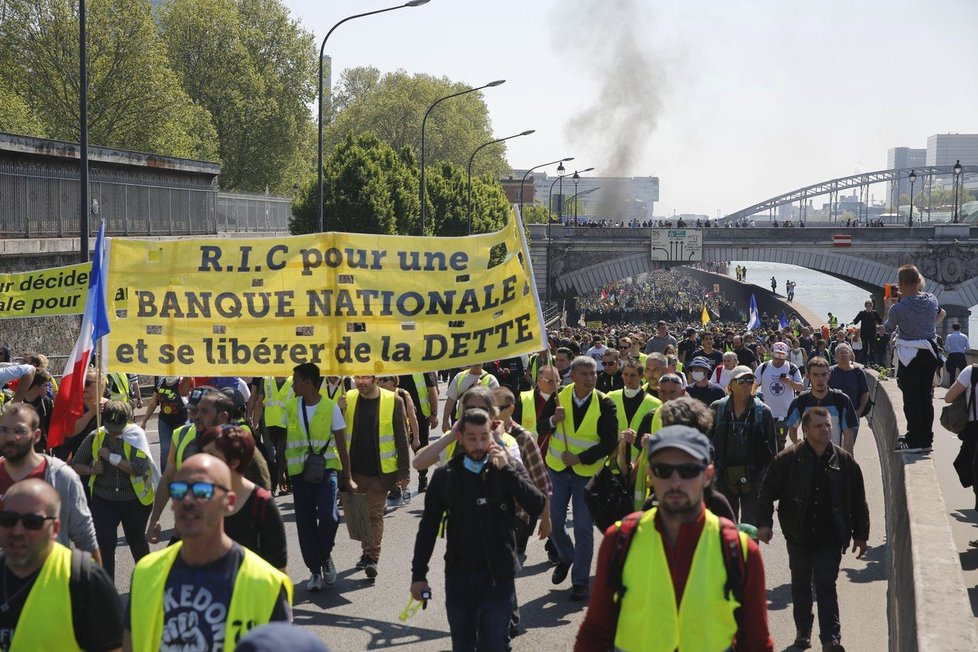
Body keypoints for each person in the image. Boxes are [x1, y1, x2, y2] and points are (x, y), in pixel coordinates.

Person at [574, 425, 774, 651]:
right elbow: (595, 632)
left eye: (688, 470)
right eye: (663, 470)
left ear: (707, 475)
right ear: (650, 474)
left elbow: (757, 642)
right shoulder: (620, 539)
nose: (676, 482)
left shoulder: (739, 549)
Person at [410, 408, 545, 652]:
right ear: (460, 437)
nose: (479, 444)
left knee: (495, 644)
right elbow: (428, 528)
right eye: (472, 437)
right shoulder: (445, 476)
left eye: (484, 437)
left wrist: (508, 470)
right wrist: (419, 575)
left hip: (499, 577)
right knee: (463, 646)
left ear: (491, 436)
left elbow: (536, 504)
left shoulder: (506, 467)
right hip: (461, 578)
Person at [125, 455, 292, 651]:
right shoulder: (145, 573)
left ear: (229, 502)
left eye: (201, 491)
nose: (187, 500)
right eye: (178, 491)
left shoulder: (267, 584)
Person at [758, 407, 869, 652]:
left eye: (828, 425)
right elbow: (766, 493)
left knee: (826, 584)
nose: (826, 430)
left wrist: (861, 535)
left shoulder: (845, 461)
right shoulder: (787, 459)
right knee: (800, 585)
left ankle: (831, 638)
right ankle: (802, 633)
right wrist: (764, 524)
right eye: (819, 426)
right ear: (805, 430)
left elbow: (858, 500)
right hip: (798, 535)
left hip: (830, 537)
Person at [0, 479, 123, 651]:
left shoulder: (84, 579)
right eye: (8, 519)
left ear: (55, 528)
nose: (18, 531)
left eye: (32, 522)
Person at [537, 356, 618, 600]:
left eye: (593, 373)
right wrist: (553, 420)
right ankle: (567, 557)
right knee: (554, 524)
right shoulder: (559, 396)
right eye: (584, 374)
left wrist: (581, 458)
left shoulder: (605, 403)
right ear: (572, 375)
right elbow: (542, 427)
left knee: (583, 529)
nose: (590, 378)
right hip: (558, 472)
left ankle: (580, 581)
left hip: (586, 474)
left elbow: (609, 442)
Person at [70, 401, 159, 582]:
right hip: (104, 499)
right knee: (104, 545)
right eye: (110, 427)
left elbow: (139, 468)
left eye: (117, 428)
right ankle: (107, 587)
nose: (113, 432)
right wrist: (90, 470)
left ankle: (148, 583)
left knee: (136, 542)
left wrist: (111, 458)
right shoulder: (96, 436)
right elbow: (76, 464)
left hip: (133, 501)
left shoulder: (136, 436)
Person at [0, 403, 100, 563]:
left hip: (52, 579)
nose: (10, 437)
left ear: (37, 435)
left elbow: (85, 538)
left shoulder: (60, 476)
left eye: (19, 431)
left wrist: (93, 585)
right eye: (4, 430)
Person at [286, 362, 352, 592]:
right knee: (305, 524)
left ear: (308, 382)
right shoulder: (291, 406)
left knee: (329, 517)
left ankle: (323, 556)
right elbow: (287, 440)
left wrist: (348, 477)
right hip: (299, 473)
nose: (293, 384)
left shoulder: (330, 408)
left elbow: (342, 446)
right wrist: (283, 472)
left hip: (326, 470)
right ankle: (314, 570)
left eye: (296, 380)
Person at [345, 375, 411, 579]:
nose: (360, 381)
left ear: (376, 378)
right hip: (355, 470)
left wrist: (404, 472)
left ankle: (372, 557)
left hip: (382, 473)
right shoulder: (348, 398)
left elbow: (401, 437)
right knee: (360, 514)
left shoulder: (394, 400)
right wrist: (338, 410)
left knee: (374, 514)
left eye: (365, 377)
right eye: (357, 377)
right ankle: (366, 552)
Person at [199, 425, 288, 571]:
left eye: (212, 455)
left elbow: (279, 571)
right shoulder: (199, 497)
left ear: (234, 462)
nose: (204, 462)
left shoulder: (262, 504)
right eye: (203, 455)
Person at [883, 264, 945, 452]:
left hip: (910, 356)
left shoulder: (898, 308)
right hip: (929, 353)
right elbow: (942, 313)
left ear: (901, 284)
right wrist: (928, 327)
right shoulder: (932, 300)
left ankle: (913, 439)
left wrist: (888, 307)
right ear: (919, 281)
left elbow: (887, 328)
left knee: (911, 399)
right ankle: (926, 439)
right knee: (925, 397)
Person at [709, 366, 776, 526]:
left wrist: (770, 480)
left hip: (754, 476)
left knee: (750, 525)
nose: (746, 384)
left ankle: (748, 551)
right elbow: (706, 442)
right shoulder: (717, 408)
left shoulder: (763, 412)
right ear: (731, 384)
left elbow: (772, 450)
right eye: (741, 380)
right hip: (722, 474)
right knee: (725, 524)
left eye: (750, 380)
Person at [786, 357, 857, 455]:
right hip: (810, 462)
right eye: (815, 375)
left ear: (829, 375)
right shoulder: (800, 401)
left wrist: (848, 463)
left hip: (835, 460)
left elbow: (848, 435)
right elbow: (792, 430)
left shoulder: (842, 400)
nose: (820, 379)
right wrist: (804, 447)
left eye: (824, 375)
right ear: (808, 376)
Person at [754, 342, 805, 451]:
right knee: (766, 442)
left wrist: (789, 382)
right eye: (777, 357)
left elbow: (801, 387)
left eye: (782, 357)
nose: (779, 360)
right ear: (772, 354)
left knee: (781, 441)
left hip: (784, 414)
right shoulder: (763, 367)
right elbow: (753, 385)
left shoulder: (791, 368)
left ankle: (779, 463)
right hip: (766, 414)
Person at [397, 372, 439, 493]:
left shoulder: (422, 366)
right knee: (396, 450)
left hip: (420, 415)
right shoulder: (394, 365)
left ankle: (422, 477)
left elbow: (432, 390)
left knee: (420, 447)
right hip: (398, 415)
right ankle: (395, 485)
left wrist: (434, 413)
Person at [139, 376, 186, 472]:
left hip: (181, 421)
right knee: (165, 449)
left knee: (181, 449)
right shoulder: (160, 383)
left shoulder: (182, 382)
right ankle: (165, 476)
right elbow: (153, 403)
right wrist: (145, 420)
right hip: (165, 421)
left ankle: (180, 474)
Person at [828, 344, 870, 438]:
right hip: (833, 416)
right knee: (833, 447)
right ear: (836, 356)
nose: (843, 355)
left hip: (852, 415)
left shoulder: (858, 372)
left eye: (846, 352)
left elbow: (865, 393)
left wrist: (859, 411)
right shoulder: (830, 372)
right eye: (841, 353)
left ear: (851, 355)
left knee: (848, 447)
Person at [443, 364, 499, 430]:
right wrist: (445, 421)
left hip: (484, 424)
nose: (477, 362)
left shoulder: (491, 379)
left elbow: (497, 405)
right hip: (462, 422)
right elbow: (450, 400)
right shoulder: (460, 377)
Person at [851, 301, 881, 365]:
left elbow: (880, 321)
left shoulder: (874, 313)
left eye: (870, 306)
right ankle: (864, 361)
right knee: (865, 346)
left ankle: (871, 361)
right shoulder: (862, 313)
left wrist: (879, 326)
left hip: (872, 332)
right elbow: (856, 320)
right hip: (864, 333)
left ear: (871, 306)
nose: (869, 307)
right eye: (867, 306)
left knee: (872, 347)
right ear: (865, 306)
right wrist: (851, 322)